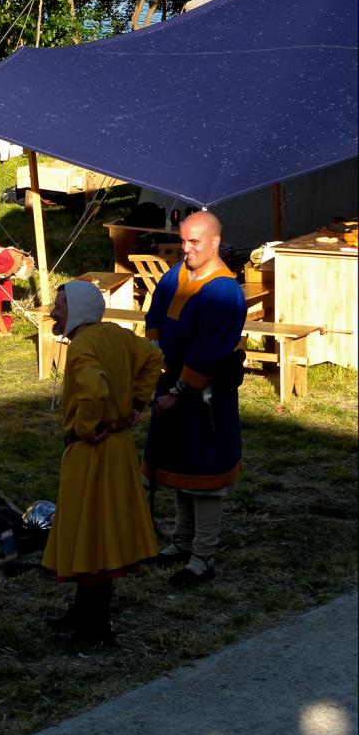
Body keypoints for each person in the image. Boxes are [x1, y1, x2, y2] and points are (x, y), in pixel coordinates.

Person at [42, 281, 163, 644]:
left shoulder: (81, 346)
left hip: (92, 450)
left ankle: (94, 627)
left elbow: (94, 388)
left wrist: (86, 426)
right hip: (118, 447)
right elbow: (154, 358)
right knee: (100, 532)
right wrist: (136, 406)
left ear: (77, 309)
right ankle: (84, 615)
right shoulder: (117, 335)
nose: (52, 311)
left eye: (60, 305)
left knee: (90, 533)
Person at [142, 210, 247, 588]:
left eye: (194, 242)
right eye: (183, 240)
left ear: (215, 242)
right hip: (169, 385)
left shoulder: (224, 293)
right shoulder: (177, 274)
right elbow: (155, 313)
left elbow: (209, 351)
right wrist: (153, 355)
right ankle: (180, 542)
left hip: (202, 396)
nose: (185, 249)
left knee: (204, 476)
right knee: (179, 468)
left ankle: (203, 558)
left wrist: (179, 392)